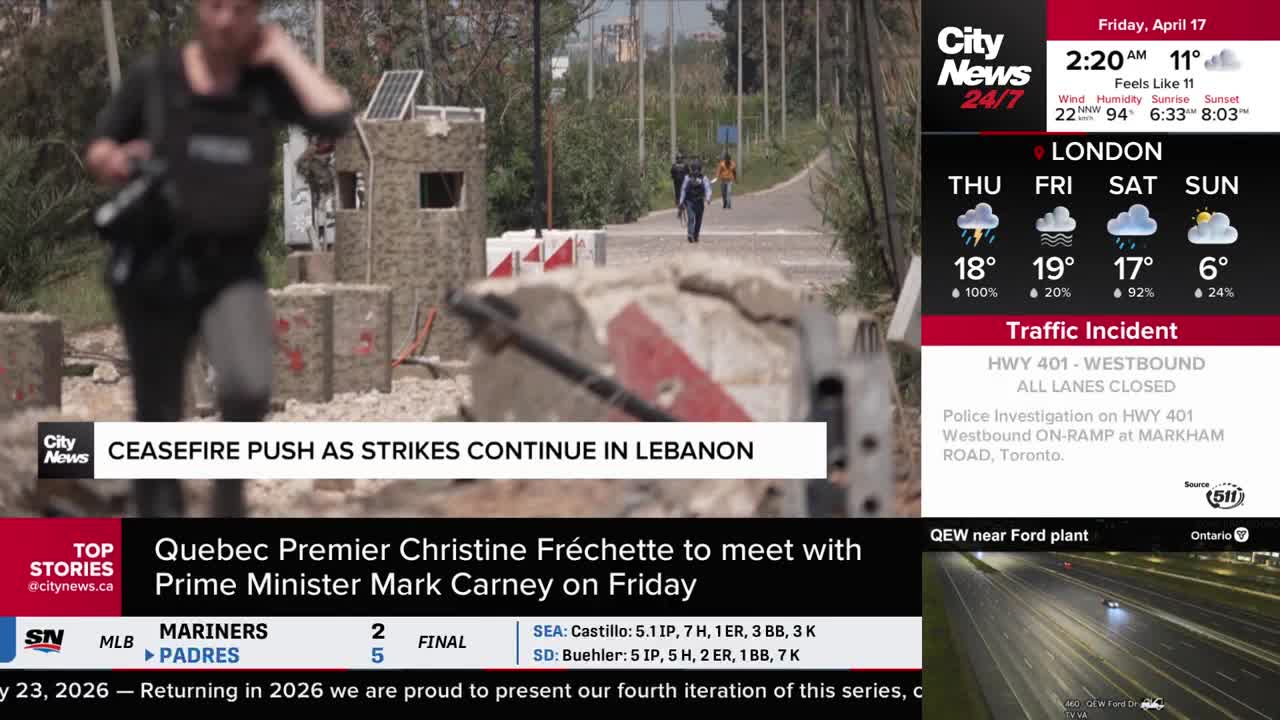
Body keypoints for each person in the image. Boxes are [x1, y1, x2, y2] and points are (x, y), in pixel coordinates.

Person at [84, 0, 354, 517]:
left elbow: (336, 116)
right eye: (216, 6)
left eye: (241, 9)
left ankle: (228, 497)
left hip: (233, 268)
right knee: (158, 415)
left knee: (250, 383)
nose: (226, 20)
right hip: (156, 266)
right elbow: (98, 144)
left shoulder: (261, 85)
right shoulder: (157, 78)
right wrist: (117, 161)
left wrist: (285, 53)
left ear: (257, 16)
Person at [678, 159, 712, 243]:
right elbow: (683, 190)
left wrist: (708, 198)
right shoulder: (687, 178)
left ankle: (696, 235)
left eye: (697, 169)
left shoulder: (704, 178)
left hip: (700, 201)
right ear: (692, 169)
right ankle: (690, 234)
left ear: (700, 169)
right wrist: (681, 201)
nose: (696, 170)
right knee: (691, 218)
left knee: (698, 220)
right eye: (694, 169)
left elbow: (708, 189)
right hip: (690, 201)